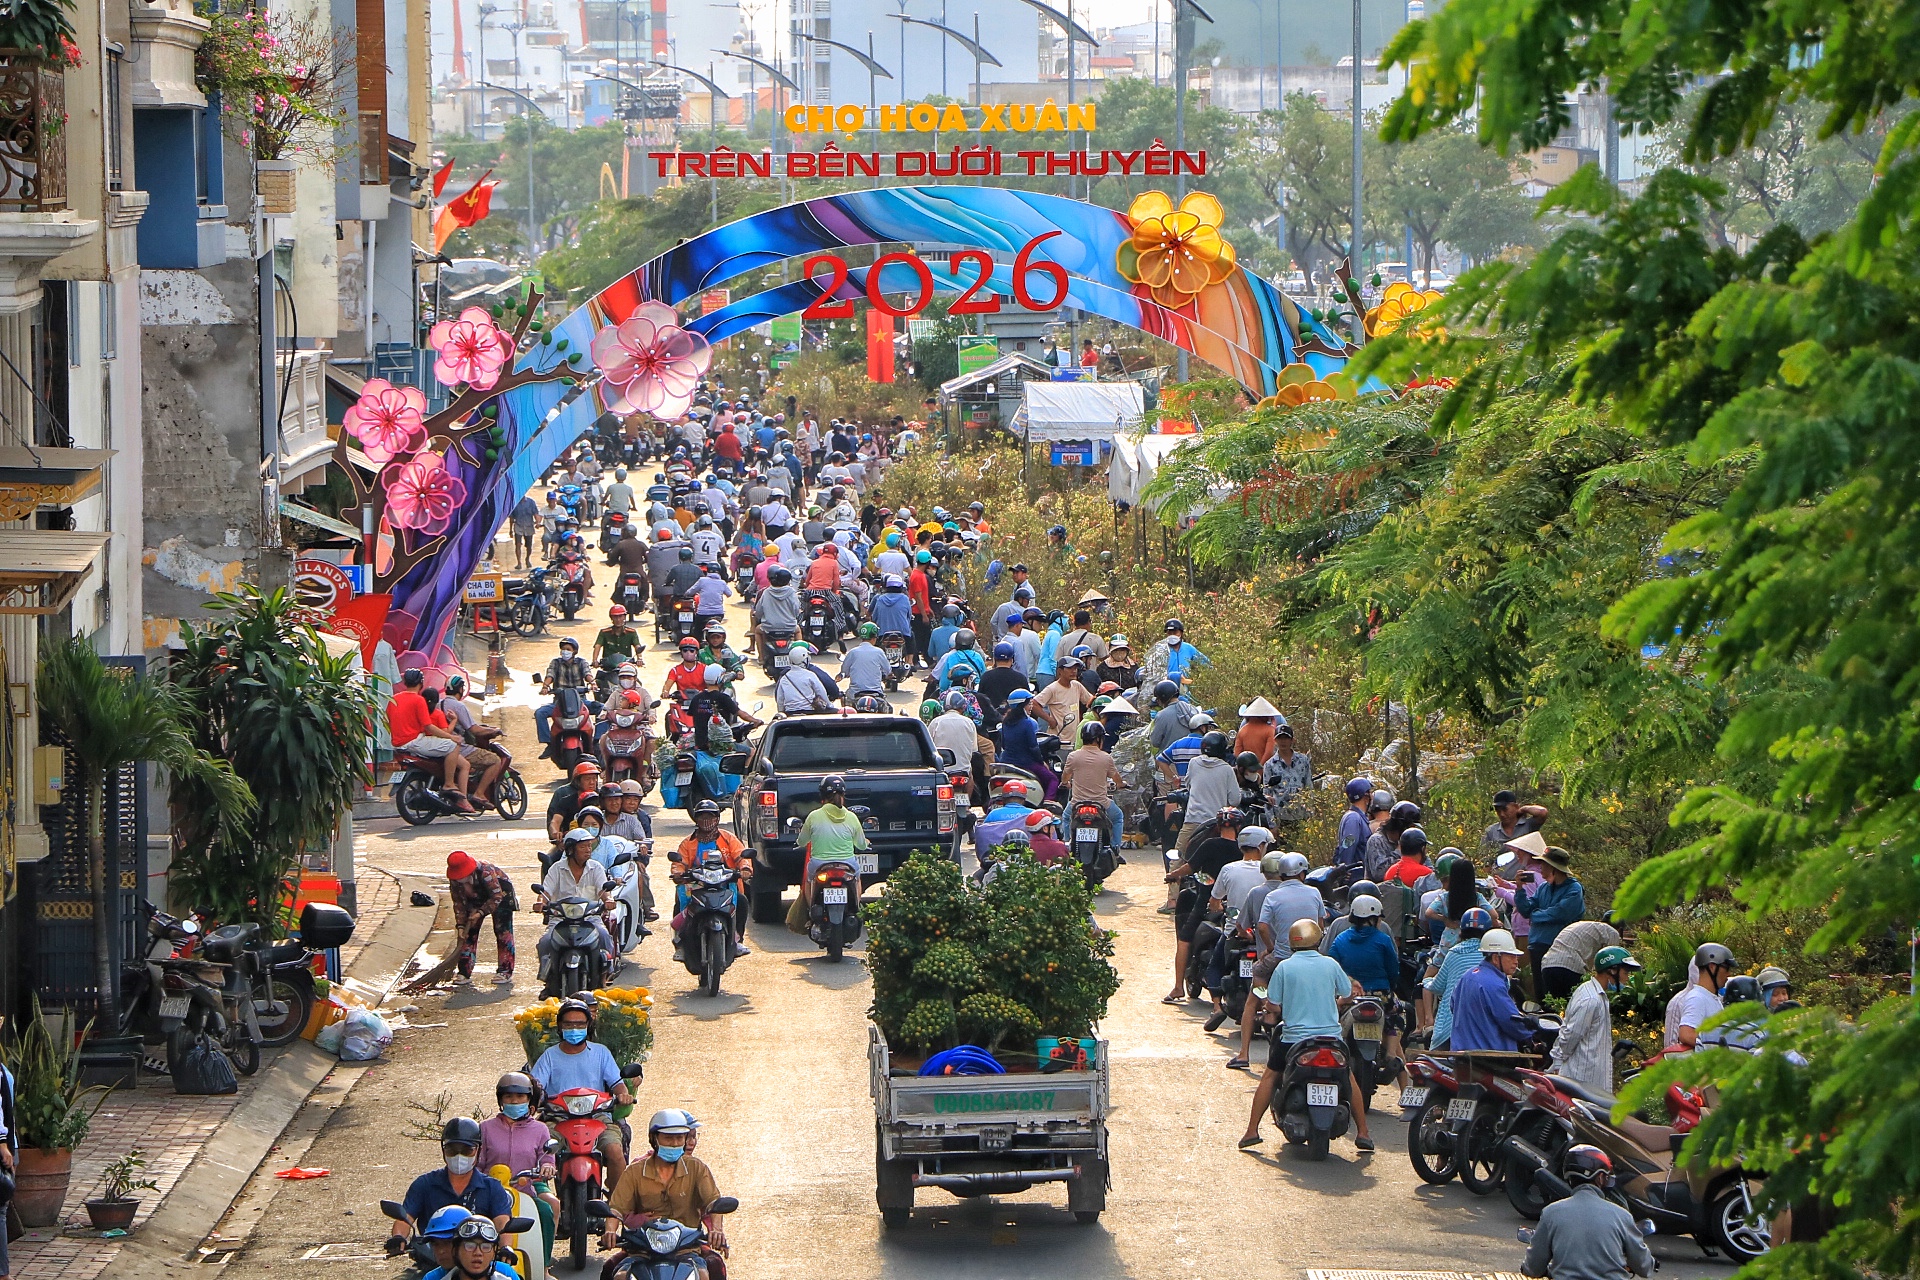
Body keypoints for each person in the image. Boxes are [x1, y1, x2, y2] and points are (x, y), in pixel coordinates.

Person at [1238, 919, 1374, 1152]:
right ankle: (1363, 1133)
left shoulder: (1284, 967)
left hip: (1294, 1040)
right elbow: (1347, 993)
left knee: (1270, 1076)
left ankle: (1252, 1131)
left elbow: (1273, 1004)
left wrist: (1270, 1008)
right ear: (1317, 939)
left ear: (1292, 942)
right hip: (1332, 1040)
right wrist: (1338, 1002)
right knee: (1349, 1079)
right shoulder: (1330, 964)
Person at [603, 1110, 730, 1276]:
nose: (674, 1143)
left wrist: (717, 1230)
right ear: (654, 1139)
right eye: (668, 1138)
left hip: (686, 1250)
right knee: (617, 1274)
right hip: (642, 1251)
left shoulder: (697, 1168)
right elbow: (616, 1208)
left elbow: (713, 1202)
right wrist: (610, 1231)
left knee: (705, 1273)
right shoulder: (634, 1172)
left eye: (679, 1138)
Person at [527, 1000, 635, 1186]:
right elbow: (535, 1086)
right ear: (560, 1027)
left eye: (579, 1024)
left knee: (615, 1152)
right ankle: (539, 1196)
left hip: (597, 1117)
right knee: (538, 1151)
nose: (574, 1029)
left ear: (588, 1026)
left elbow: (617, 1083)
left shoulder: (601, 1053)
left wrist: (623, 1094)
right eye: (569, 1024)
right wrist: (534, 1102)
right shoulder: (549, 1056)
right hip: (558, 1118)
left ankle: (616, 1200)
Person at [1520, 1146, 1654, 1280]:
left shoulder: (1551, 1213)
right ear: (1600, 1178)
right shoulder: (1622, 1215)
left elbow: (1533, 1268)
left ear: (1568, 1176)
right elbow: (1644, 1267)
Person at [387, 1118, 514, 1258]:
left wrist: (506, 1247)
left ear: (478, 1150)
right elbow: (405, 1218)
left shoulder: (492, 1187)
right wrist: (398, 1237)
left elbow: (503, 1224)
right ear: (443, 1150)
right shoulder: (424, 1184)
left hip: (479, 1259)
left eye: (467, 1150)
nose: (459, 1156)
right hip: (432, 1259)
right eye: (452, 1150)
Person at [477, 1071, 557, 1250]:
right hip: (489, 1193)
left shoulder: (540, 1129)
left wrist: (547, 1166)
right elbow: (478, 1163)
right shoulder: (485, 1128)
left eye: (520, 1096)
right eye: (508, 1096)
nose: (514, 1101)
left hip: (524, 1192)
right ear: (501, 1100)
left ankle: (544, 1263)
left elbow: (547, 1157)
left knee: (545, 1212)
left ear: (529, 1099)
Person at [1552, 946, 1640, 1097]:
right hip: (1582, 1079)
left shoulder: (1595, 993)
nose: (1627, 978)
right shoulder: (1591, 999)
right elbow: (1570, 1036)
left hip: (1591, 1080)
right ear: (1612, 971)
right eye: (1625, 973)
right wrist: (1558, 1064)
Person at [670, 801, 752, 958]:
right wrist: (678, 873)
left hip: (725, 883)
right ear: (696, 819)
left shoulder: (728, 839)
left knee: (741, 902)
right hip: (696, 884)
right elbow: (680, 862)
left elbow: (741, 855)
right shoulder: (687, 843)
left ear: (717, 819)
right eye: (702, 817)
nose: (706, 821)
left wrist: (745, 869)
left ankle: (737, 940)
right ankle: (680, 942)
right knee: (680, 901)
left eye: (710, 817)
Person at [389, 669, 475, 810]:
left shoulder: (394, 699)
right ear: (421, 683)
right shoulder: (418, 700)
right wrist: (451, 737)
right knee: (453, 745)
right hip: (414, 741)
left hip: (397, 744)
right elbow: (428, 726)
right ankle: (449, 784)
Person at [536, 829, 618, 974]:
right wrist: (540, 902)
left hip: (590, 918)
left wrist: (608, 900)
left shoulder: (596, 868)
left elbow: (603, 890)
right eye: (583, 847)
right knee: (545, 942)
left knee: (604, 936)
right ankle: (548, 976)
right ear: (570, 850)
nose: (588, 850)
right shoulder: (557, 868)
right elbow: (545, 891)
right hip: (561, 919)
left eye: (589, 846)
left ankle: (605, 975)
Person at [1448, 928, 1534, 1053]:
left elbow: (1453, 1005)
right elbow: (1511, 1021)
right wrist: (1533, 1033)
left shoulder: (1467, 976)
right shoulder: (1494, 984)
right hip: (1490, 1056)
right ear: (1495, 958)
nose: (1516, 961)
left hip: (1460, 1053)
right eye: (1511, 956)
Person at [1514, 846, 1587, 985]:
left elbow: (1559, 913)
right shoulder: (1543, 888)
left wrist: (1535, 916)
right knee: (1540, 987)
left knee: (1556, 989)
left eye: (1544, 863)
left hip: (1560, 948)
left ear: (1554, 867)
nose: (1540, 867)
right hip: (1537, 946)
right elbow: (1526, 910)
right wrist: (1519, 889)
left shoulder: (1574, 889)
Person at [1425, 907, 1494, 1050]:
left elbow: (1438, 986)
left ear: (1462, 930)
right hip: (1483, 1030)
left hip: (1449, 1028)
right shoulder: (1491, 954)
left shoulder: (1454, 953)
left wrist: (1427, 982)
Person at [796, 775, 870, 909]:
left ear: (822, 795)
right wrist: (866, 843)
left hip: (819, 864)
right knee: (857, 878)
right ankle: (857, 908)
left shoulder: (814, 816)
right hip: (847, 863)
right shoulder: (852, 817)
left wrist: (799, 842)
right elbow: (861, 844)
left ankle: (811, 910)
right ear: (843, 795)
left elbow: (802, 841)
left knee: (808, 880)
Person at [446, 851, 515, 986]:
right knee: (469, 933)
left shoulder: (486, 872)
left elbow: (497, 897)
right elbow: (458, 903)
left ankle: (505, 970)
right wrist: (461, 926)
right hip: (475, 899)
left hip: (500, 895)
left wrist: (480, 913)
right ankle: (464, 971)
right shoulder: (455, 881)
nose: (460, 880)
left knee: (503, 931)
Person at [1172, 730, 1241, 856]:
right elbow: (1235, 800)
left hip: (1193, 820)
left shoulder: (1194, 763)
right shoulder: (1227, 769)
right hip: (1216, 824)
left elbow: (1188, 785)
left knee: (1178, 855)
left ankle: (1173, 869)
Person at [1059, 720, 1125, 847]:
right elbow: (1116, 778)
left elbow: (1065, 776)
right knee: (1118, 817)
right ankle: (1115, 847)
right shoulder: (1106, 758)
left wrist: (1065, 783)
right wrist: (1121, 784)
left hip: (1077, 803)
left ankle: (1067, 844)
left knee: (1066, 817)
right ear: (1098, 739)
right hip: (1101, 803)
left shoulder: (1073, 756)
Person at [1666, 942, 1734, 1052]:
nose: (1729, 973)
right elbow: (1686, 1034)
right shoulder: (1697, 998)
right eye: (1726, 968)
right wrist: (1717, 1049)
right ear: (1712, 967)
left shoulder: (1710, 998)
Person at [1539, 917, 1624, 1003]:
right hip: (1570, 966)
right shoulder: (1612, 932)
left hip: (1548, 964)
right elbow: (1611, 961)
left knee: (1557, 1005)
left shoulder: (1584, 926)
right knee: (1577, 1003)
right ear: (1620, 929)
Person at [535, 639, 597, 756]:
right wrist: (545, 686)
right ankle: (549, 744)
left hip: (580, 702)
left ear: (575, 651)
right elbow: (550, 675)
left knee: (602, 708)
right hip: (559, 703)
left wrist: (593, 683)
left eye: (568, 649)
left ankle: (597, 741)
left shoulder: (581, 662)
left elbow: (587, 674)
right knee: (540, 713)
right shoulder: (555, 663)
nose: (565, 651)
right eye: (563, 649)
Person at [996, 689, 1056, 799]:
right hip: (1026, 763)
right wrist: (1042, 762)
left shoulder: (1005, 722)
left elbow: (1004, 745)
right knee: (1053, 780)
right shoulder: (1027, 723)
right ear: (1022, 705)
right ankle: (1048, 802)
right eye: (1029, 704)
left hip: (1006, 762)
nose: (1031, 707)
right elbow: (1033, 747)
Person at [1482, 789, 1552, 861]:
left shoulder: (1528, 825)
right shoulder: (1491, 832)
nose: (1501, 814)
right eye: (1498, 811)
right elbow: (1484, 860)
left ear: (1515, 807)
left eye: (1505, 809)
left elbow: (1542, 812)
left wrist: (1523, 809)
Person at [1142, 618, 1210, 688]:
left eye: (1175, 633)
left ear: (1181, 633)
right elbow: (1152, 673)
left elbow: (1206, 664)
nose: (1172, 635)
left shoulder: (1188, 648)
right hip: (1166, 689)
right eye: (1169, 633)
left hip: (1185, 690)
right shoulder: (1160, 650)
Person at [546, 760, 603, 843]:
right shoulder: (566, 801)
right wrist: (555, 834)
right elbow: (555, 821)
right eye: (587, 779)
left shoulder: (602, 799)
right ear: (578, 781)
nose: (592, 782)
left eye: (594, 779)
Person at [1034, 657, 1095, 733]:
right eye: (1070, 668)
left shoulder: (1077, 686)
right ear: (1060, 671)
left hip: (1074, 737)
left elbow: (1090, 700)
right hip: (1058, 737)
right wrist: (1049, 720)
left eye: (1075, 668)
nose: (1074, 671)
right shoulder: (1052, 688)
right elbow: (1034, 704)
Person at [774, 641, 837, 713]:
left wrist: (781, 712)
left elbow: (780, 700)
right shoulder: (810, 675)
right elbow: (821, 692)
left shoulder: (784, 678)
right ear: (804, 660)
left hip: (790, 713)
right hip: (809, 712)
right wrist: (829, 705)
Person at [929, 692, 982, 775]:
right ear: (962, 707)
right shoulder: (969, 722)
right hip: (963, 771)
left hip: (941, 771)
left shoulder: (935, 722)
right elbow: (974, 750)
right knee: (971, 776)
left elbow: (928, 747)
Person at [839, 623, 892, 698]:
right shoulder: (879, 652)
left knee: (844, 699)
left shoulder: (853, 652)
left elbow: (844, 671)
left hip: (855, 693)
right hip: (876, 693)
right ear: (874, 638)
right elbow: (888, 671)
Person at [1233, 697, 1282, 764]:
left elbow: (1237, 753)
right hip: (1265, 768)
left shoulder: (1242, 731)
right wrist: (1260, 767)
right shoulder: (1270, 731)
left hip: (1246, 768)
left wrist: (1245, 768)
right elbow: (1269, 753)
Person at [509, 493, 539, 569]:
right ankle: (519, 562)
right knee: (518, 544)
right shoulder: (514, 503)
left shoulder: (531, 502)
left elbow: (535, 513)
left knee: (529, 546)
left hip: (529, 527)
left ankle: (527, 559)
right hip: (518, 526)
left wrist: (537, 522)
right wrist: (510, 530)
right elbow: (511, 518)